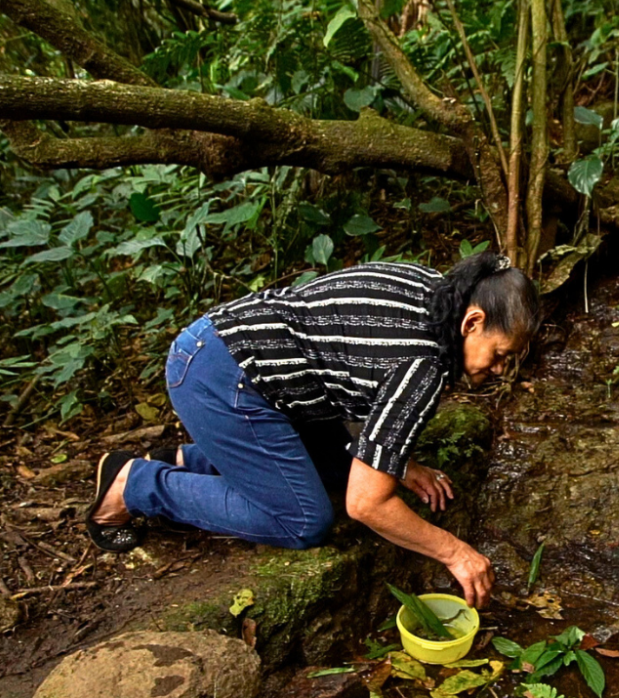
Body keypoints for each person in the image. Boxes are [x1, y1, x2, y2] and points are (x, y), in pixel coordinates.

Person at [84, 252, 540, 609]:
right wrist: (456, 553)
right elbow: (365, 505)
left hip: (226, 348)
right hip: (223, 379)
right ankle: (135, 486)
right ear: (473, 322)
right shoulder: (423, 368)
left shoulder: (431, 288)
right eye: (500, 354)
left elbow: (357, 368)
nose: (500, 369)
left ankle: (182, 459)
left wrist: (397, 460)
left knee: (338, 470)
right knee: (304, 520)